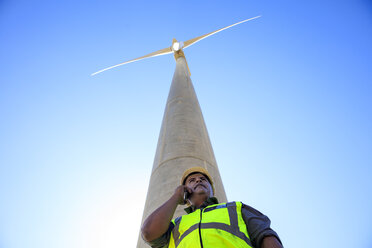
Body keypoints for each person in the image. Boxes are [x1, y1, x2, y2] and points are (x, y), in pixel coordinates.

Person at [141, 167, 283, 248]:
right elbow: (148, 233)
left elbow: (265, 236)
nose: (198, 180)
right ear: (185, 190)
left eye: (203, 179)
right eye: (192, 180)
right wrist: (175, 198)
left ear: (212, 189)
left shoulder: (236, 208)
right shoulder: (175, 225)